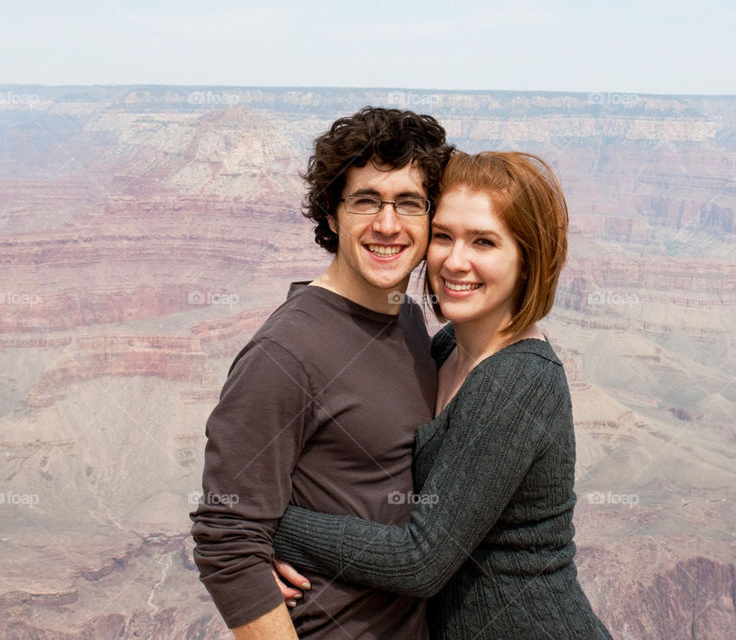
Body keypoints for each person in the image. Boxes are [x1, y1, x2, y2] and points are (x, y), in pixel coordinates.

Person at [272, 151, 614, 639]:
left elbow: (420, 561)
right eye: (443, 236)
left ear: (527, 259)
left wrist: (264, 530)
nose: (455, 261)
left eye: (484, 242)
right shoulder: (449, 347)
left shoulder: (516, 380)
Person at [189, 107, 454, 639]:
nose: (387, 224)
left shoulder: (404, 315)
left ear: (431, 219)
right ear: (332, 216)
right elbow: (226, 538)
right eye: (365, 202)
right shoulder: (285, 353)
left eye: (408, 203)